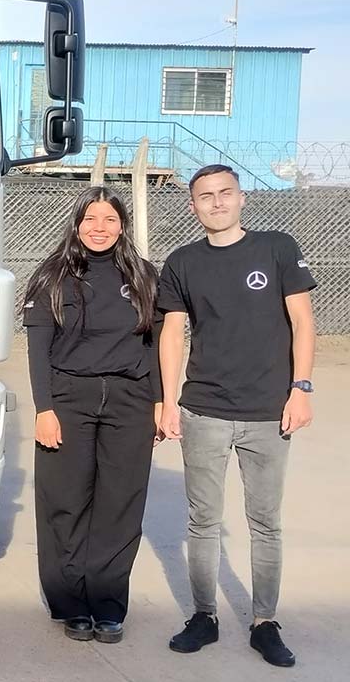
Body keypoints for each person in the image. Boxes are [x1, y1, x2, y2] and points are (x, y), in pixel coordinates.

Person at [159, 164, 315, 668]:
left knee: (265, 522)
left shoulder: (276, 248)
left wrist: (301, 389)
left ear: (241, 197)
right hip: (203, 410)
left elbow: (302, 323)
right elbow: (171, 334)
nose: (217, 203)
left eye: (225, 193)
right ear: (193, 206)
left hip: (270, 411)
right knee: (203, 521)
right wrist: (167, 401)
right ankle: (204, 615)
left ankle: (264, 622)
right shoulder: (182, 262)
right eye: (205, 196)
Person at [23, 186, 162, 645]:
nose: (99, 229)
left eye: (109, 219)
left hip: (130, 399)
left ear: (122, 225)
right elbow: (39, 349)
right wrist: (44, 409)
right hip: (68, 397)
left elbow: (157, 346)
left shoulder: (143, 275)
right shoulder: (52, 275)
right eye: (90, 219)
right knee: (65, 503)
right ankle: (70, 603)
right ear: (77, 224)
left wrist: (159, 402)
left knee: (119, 506)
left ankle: (107, 605)